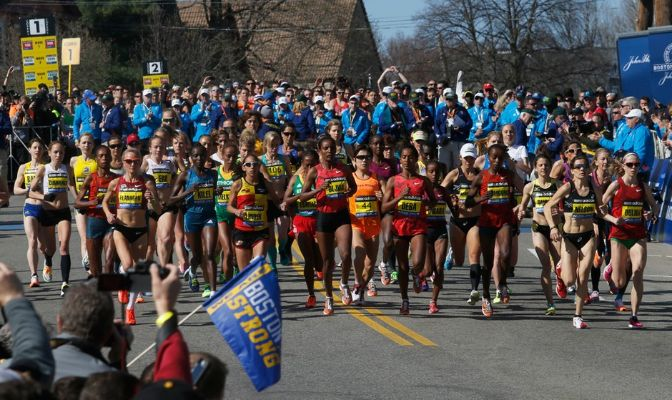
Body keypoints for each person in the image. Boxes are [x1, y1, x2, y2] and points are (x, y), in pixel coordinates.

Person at [543, 154, 617, 329]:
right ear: (572, 170)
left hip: (588, 237)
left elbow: (600, 211)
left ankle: (578, 316)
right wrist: (553, 227)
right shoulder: (567, 188)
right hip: (569, 238)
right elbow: (548, 206)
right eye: (578, 167)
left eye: (584, 166)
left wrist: (614, 220)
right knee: (569, 281)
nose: (582, 169)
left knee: (583, 277)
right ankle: (561, 271)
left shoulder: (594, 188)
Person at [465, 143, 524, 318]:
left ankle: (503, 284)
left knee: (505, 253)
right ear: (488, 158)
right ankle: (485, 296)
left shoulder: (509, 175)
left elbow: (526, 190)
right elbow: (467, 201)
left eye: (500, 157)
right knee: (488, 263)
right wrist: (480, 198)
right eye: (494, 157)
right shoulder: (481, 177)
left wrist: (521, 205)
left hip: (504, 221)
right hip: (486, 223)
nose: (497, 161)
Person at [102, 148, 160, 324]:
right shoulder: (116, 182)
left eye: (135, 161)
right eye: (128, 161)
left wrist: (152, 200)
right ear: (123, 162)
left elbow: (158, 209)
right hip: (121, 229)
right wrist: (108, 214)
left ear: (140, 161)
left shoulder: (147, 182)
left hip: (140, 230)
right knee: (127, 264)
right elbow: (104, 202)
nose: (132, 164)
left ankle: (130, 309)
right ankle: (122, 275)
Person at [300, 136, 357, 315]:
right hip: (323, 217)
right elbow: (302, 196)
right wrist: (319, 190)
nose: (329, 151)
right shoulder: (315, 171)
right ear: (320, 150)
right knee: (327, 261)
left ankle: (344, 283)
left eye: (332, 148)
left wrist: (347, 192)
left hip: (341, 216)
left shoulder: (344, 168)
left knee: (346, 254)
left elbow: (353, 188)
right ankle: (329, 298)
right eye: (326, 148)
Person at [602, 153, 659, 328]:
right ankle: (611, 267)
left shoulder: (643, 186)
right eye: (630, 164)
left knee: (638, 272)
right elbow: (601, 208)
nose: (634, 167)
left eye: (636, 164)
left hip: (637, 235)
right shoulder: (616, 185)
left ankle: (634, 316)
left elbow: (654, 207)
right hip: (619, 235)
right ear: (623, 166)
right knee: (619, 283)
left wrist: (651, 214)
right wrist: (613, 220)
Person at [382, 144, 436, 315]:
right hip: (399, 228)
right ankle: (405, 299)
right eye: (404, 157)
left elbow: (433, 201)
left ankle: (417, 274)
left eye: (410, 157)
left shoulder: (423, 181)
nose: (407, 160)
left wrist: (426, 203)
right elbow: (384, 207)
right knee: (402, 267)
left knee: (418, 262)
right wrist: (400, 197)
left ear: (416, 159)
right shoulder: (394, 180)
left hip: (418, 227)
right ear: (400, 159)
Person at [169, 143, 218, 298]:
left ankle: (213, 291)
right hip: (192, 218)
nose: (199, 158)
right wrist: (188, 192)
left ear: (206, 157)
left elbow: (215, 191)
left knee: (209, 254)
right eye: (195, 155)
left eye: (202, 155)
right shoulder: (185, 175)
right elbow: (171, 199)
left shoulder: (213, 174)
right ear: (190, 158)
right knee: (197, 256)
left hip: (209, 217)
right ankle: (192, 270)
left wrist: (217, 191)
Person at [29, 141, 76, 297]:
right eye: (55, 152)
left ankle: (65, 283)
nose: (58, 155)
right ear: (49, 153)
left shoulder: (68, 169)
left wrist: (78, 200)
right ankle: (48, 260)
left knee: (64, 248)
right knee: (51, 249)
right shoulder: (44, 169)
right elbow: (31, 192)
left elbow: (73, 187)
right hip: (47, 212)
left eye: (61, 153)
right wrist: (44, 196)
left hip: (63, 212)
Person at [518, 154, 562, 315]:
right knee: (546, 266)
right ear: (536, 168)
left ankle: (560, 282)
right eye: (541, 165)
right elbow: (523, 206)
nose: (543, 168)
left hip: (555, 228)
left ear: (550, 167)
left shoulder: (557, 185)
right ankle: (550, 303)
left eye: (546, 165)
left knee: (560, 266)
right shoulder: (530, 187)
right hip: (538, 228)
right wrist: (521, 211)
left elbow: (566, 207)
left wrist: (561, 211)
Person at [441, 143, 481, 304]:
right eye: (466, 158)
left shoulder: (481, 175)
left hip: (475, 221)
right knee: (459, 261)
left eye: (471, 157)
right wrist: (451, 196)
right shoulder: (455, 174)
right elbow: (440, 190)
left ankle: (474, 290)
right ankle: (452, 253)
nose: (469, 161)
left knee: (474, 256)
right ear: (460, 158)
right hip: (457, 221)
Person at [227, 154, 280, 270]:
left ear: (259, 166)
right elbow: (229, 207)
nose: (252, 167)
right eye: (248, 165)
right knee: (244, 273)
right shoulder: (238, 184)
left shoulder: (265, 183)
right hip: (241, 230)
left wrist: (286, 204)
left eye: (255, 164)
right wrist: (236, 211)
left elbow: (277, 201)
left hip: (260, 230)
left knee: (257, 266)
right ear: (243, 168)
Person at [283, 150, 321, 308]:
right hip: (301, 221)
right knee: (309, 260)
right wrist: (300, 197)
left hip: (318, 221)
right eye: (307, 164)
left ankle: (321, 269)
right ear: (302, 164)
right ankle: (311, 294)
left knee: (321, 262)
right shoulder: (295, 179)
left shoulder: (321, 179)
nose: (310, 167)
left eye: (313, 164)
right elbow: (286, 200)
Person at [74, 146, 118, 277]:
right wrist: (91, 203)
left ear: (110, 158)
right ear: (96, 159)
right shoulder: (91, 178)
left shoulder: (116, 179)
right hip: (94, 221)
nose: (104, 158)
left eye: (106, 156)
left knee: (109, 262)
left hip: (110, 222)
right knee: (95, 267)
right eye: (101, 156)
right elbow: (77, 203)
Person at [348, 144, 383, 306]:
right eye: (360, 157)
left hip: (373, 224)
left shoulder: (376, 178)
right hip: (356, 224)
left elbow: (386, 202)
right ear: (354, 161)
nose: (364, 160)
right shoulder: (350, 178)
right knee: (360, 253)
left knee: (370, 264)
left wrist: (381, 197)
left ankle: (360, 288)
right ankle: (356, 282)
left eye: (367, 157)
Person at [13, 139, 45, 287]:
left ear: (43, 151)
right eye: (34, 147)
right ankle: (34, 275)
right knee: (32, 241)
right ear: (30, 150)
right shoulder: (23, 168)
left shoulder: (46, 168)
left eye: (39, 148)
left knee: (42, 246)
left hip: (44, 208)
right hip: (30, 207)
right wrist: (28, 190)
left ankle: (47, 262)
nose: (37, 150)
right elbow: (15, 189)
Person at [142, 136, 178, 266]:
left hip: (165, 207)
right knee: (150, 245)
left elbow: (175, 181)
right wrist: (144, 193)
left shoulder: (169, 164)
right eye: (156, 147)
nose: (158, 149)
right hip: (150, 208)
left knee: (166, 237)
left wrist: (173, 196)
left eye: (161, 147)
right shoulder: (147, 163)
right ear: (150, 148)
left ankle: (163, 271)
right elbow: (138, 181)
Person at [259, 131, 291, 268]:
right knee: (271, 237)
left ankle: (282, 249)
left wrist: (288, 197)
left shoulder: (284, 159)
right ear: (265, 145)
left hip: (282, 200)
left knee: (283, 231)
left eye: (276, 145)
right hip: (268, 202)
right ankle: (273, 265)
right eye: (271, 145)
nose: (274, 149)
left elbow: (291, 178)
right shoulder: (260, 160)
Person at [370, 134, 397, 285]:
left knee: (389, 242)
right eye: (376, 144)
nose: (379, 147)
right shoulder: (366, 163)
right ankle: (369, 279)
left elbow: (396, 183)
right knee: (370, 244)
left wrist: (387, 194)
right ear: (371, 146)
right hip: (370, 208)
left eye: (382, 144)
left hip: (387, 207)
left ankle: (386, 265)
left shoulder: (391, 163)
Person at [424, 160, 449, 313]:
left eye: (437, 172)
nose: (434, 175)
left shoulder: (443, 191)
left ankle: (433, 301)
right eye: (431, 171)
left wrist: (457, 204)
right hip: (425, 232)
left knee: (439, 268)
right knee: (427, 270)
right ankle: (418, 275)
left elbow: (456, 210)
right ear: (426, 173)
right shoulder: (421, 190)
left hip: (440, 231)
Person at [71, 133, 97, 275]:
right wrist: (76, 198)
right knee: (83, 236)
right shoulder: (73, 160)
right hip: (80, 202)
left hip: (93, 202)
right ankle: (89, 268)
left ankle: (91, 262)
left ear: (93, 145)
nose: (86, 145)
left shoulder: (96, 160)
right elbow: (70, 182)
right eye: (84, 142)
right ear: (79, 144)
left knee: (91, 235)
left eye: (89, 143)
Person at [214, 142, 239, 284]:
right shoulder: (215, 172)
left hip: (236, 217)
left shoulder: (240, 173)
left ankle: (233, 278)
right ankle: (227, 286)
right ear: (222, 156)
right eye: (228, 156)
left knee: (235, 254)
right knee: (228, 251)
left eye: (234, 156)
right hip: (221, 215)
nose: (231, 159)